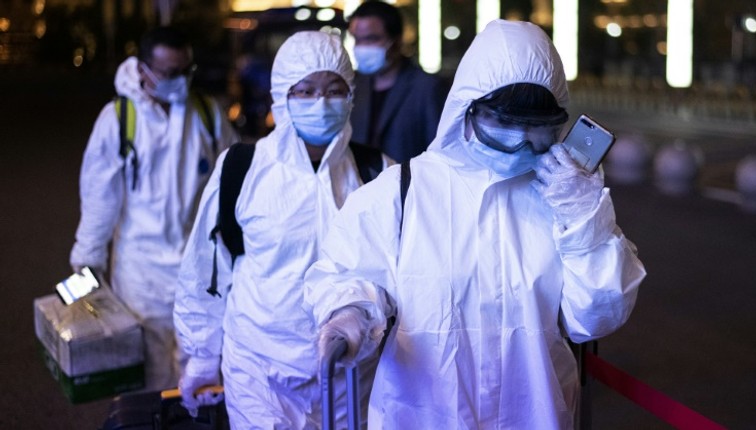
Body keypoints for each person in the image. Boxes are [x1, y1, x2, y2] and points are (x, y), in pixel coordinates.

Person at [305, 20, 646, 429]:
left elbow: (595, 317)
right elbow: (348, 274)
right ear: (467, 109)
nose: (520, 143)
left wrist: (585, 218)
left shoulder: (561, 198)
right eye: (504, 125)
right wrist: (349, 313)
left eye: (536, 129)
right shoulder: (403, 192)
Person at [174, 31, 393, 428]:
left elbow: (398, 275)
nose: (321, 103)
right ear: (281, 95)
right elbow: (206, 269)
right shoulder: (242, 168)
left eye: (334, 89)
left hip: (350, 375)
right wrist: (202, 355)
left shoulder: (378, 174)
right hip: (259, 369)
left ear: (351, 94)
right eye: (305, 90)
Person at [69, 26, 237, 391]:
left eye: (186, 71)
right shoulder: (118, 120)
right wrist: (88, 258)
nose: (179, 81)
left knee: (202, 374)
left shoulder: (206, 114)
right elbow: (100, 198)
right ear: (143, 69)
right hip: (140, 275)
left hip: (200, 269)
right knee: (152, 377)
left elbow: (234, 181)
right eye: (169, 73)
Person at [347, 0, 447, 163]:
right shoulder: (354, 85)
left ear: (397, 40)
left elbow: (438, 152)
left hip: (408, 185)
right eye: (357, 39)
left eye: (371, 39)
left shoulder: (427, 88)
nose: (362, 47)